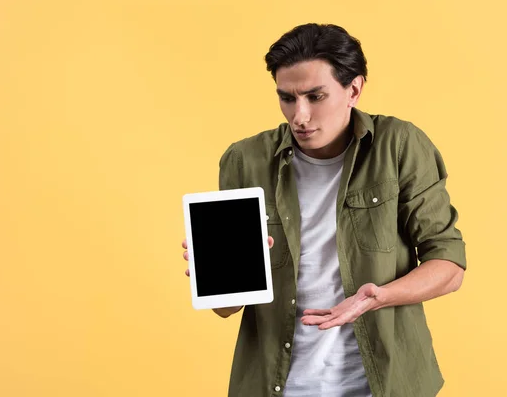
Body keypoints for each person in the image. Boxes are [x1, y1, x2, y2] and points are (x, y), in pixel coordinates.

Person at [182, 23, 466, 397]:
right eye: (286, 98)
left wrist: (375, 297)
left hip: (381, 384)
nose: (299, 116)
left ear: (354, 89)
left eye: (315, 96)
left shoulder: (398, 147)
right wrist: (218, 277)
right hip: (275, 385)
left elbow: (448, 265)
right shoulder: (244, 160)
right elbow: (226, 309)